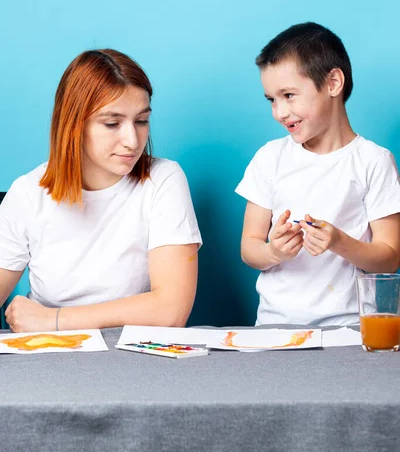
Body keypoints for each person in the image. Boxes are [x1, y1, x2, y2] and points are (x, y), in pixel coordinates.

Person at [0, 49, 201, 332]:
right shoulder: (26, 193)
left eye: (141, 121)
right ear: (73, 125)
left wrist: (53, 320)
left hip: (131, 358)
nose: (132, 140)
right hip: (47, 356)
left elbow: (172, 310)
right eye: (112, 124)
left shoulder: (163, 179)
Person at [236, 22, 400, 326]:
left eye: (288, 95)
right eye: (272, 99)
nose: (279, 112)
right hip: (276, 326)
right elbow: (249, 247)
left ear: (333, 83)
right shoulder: (270, 158)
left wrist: (339, 242)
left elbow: (390, 258)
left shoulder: (373, 162)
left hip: (349, 327)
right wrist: (274, 252)